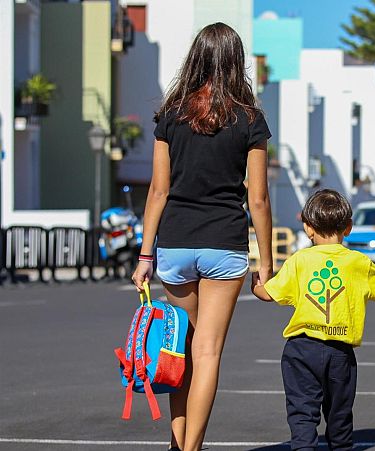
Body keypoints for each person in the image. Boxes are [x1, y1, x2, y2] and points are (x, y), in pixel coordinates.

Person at [130, 23, 273, 451]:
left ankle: (178, 445)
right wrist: (266, 265)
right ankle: (192, 447)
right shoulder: (250, 120)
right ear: (236, 62)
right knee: (207, 352)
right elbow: (259, 198)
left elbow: (158, 191)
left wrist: (145, 256)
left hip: (175, 243)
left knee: (179, 349)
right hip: (224, 245)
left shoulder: (170, 116)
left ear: (195, 58)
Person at [251, 189, 375, 451]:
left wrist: (256, 286)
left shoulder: (300, 260)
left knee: (302, 409)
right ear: (348, 227)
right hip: (340, 351)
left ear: (308, 228)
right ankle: (340, 446)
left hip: (301, 349)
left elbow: (269, 294)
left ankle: (303, 447)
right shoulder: (357, 262)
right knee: (339, 411)